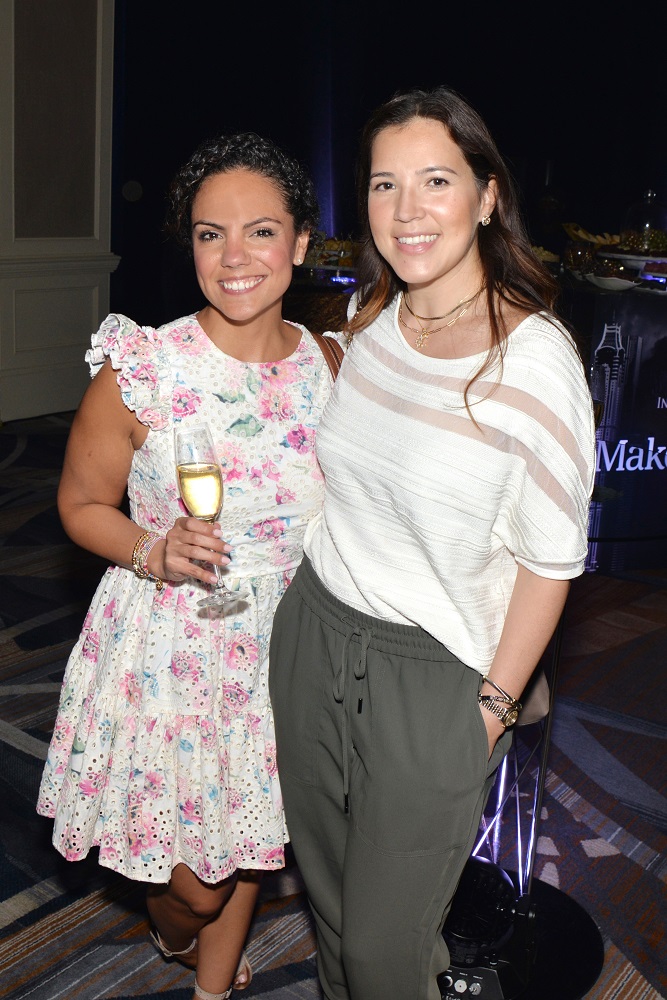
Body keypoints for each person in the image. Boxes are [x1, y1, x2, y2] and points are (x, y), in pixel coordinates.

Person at [268, 87, 596, 1000]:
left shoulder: (534, 362)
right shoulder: (372, 319)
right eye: (383, 184)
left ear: (487, 196)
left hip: (437, 676)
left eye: (436, 180)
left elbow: (550, 563)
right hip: (315, 636)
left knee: (384, 947)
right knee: (331, 907)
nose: (406, 211)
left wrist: (487, 711)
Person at [37, 132, 340, 1000]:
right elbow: (79, 505)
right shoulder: (145, 368)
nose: (235, 257)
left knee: (247, 840)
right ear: (190, 246)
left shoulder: (330, 366)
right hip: (172, 652)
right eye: (210, 234)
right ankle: (173, 934)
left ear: (302, 242)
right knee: (194, 886)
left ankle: (210, 991)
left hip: (287, 650)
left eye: (260, 231)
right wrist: (153, 549)